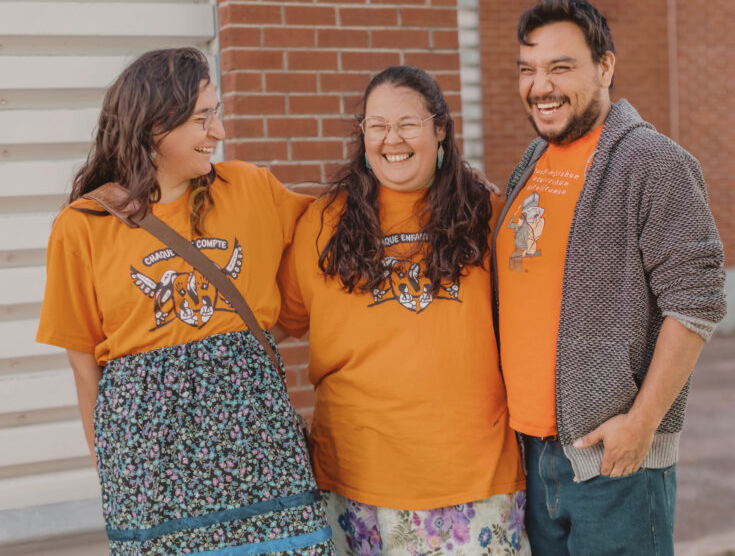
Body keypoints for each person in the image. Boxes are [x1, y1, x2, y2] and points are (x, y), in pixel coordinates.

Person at [36, 48, 334, 555]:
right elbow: (84, 368)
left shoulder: (251, 188)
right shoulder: (83, 226)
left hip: (257, 448)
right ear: (154, 128)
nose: (218, 132)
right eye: (203, 118)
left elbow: (337, 231)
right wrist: (113, 472)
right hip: (150, 469)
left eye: (215, 114)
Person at [493, 0, 727, 555]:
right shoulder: (532, 161)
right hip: (534, 452)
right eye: (528, 70)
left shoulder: (653, 163)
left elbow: (697, 302)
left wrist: (641, 425)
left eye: (560, 67)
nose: (539, 86)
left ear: (605, 67)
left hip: (614, 459)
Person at [277, 66, 528, 555]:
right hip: (357, 478)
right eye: (377, 125)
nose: (392, 139)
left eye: (408, 124)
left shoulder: (487, 215)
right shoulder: (323, 223)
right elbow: (271, 326)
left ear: (440, 130)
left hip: (472, 479)